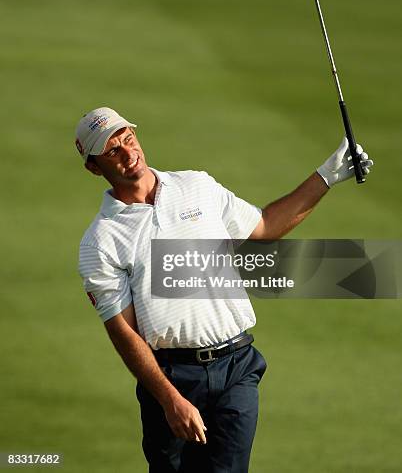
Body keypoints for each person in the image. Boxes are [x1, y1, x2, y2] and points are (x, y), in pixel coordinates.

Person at [75, 106, 373, 473]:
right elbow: (123, 331)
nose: (128, 153)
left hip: (237, 365)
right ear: (93, 166)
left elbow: (264, 226)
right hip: (172, 377)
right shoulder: (101, 241)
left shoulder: (196, 186)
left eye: (128, 139)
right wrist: (170, 400)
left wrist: (327, 175)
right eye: (112, 151)